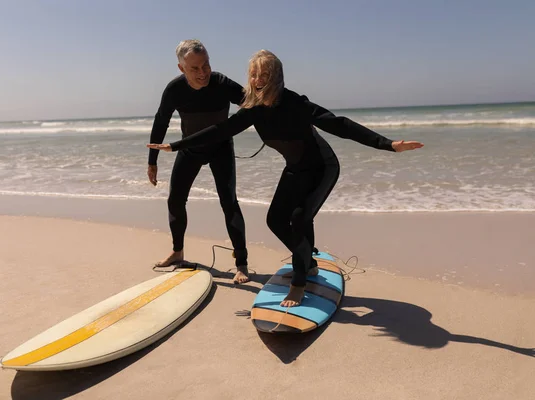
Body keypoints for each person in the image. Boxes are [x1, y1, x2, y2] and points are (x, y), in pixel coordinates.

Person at [148, 50, 424, 307]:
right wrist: (176, 146)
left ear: (276, 78)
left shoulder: (295, 103)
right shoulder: (253, 110)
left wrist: (387, 144)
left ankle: (299, 282)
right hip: (294, 168)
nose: (257, 81)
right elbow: (221, 129)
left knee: (300, 219)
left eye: (264, 75)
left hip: (322, 168)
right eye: (253, 75)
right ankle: (307, 259)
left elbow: (338, 124)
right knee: (275, 220)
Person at [147, 39, 250, 283]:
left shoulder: (222, 83)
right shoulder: (174, 89)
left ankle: (242, 264)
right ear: (182, 68)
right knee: (175, 199)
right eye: (195, 68)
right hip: (190, 149)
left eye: (206, 65)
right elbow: (161, 121)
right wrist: (152, 162)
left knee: (229, 202)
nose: (203, 73)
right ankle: (177, 252)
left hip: (220, 149)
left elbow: (252, 104)